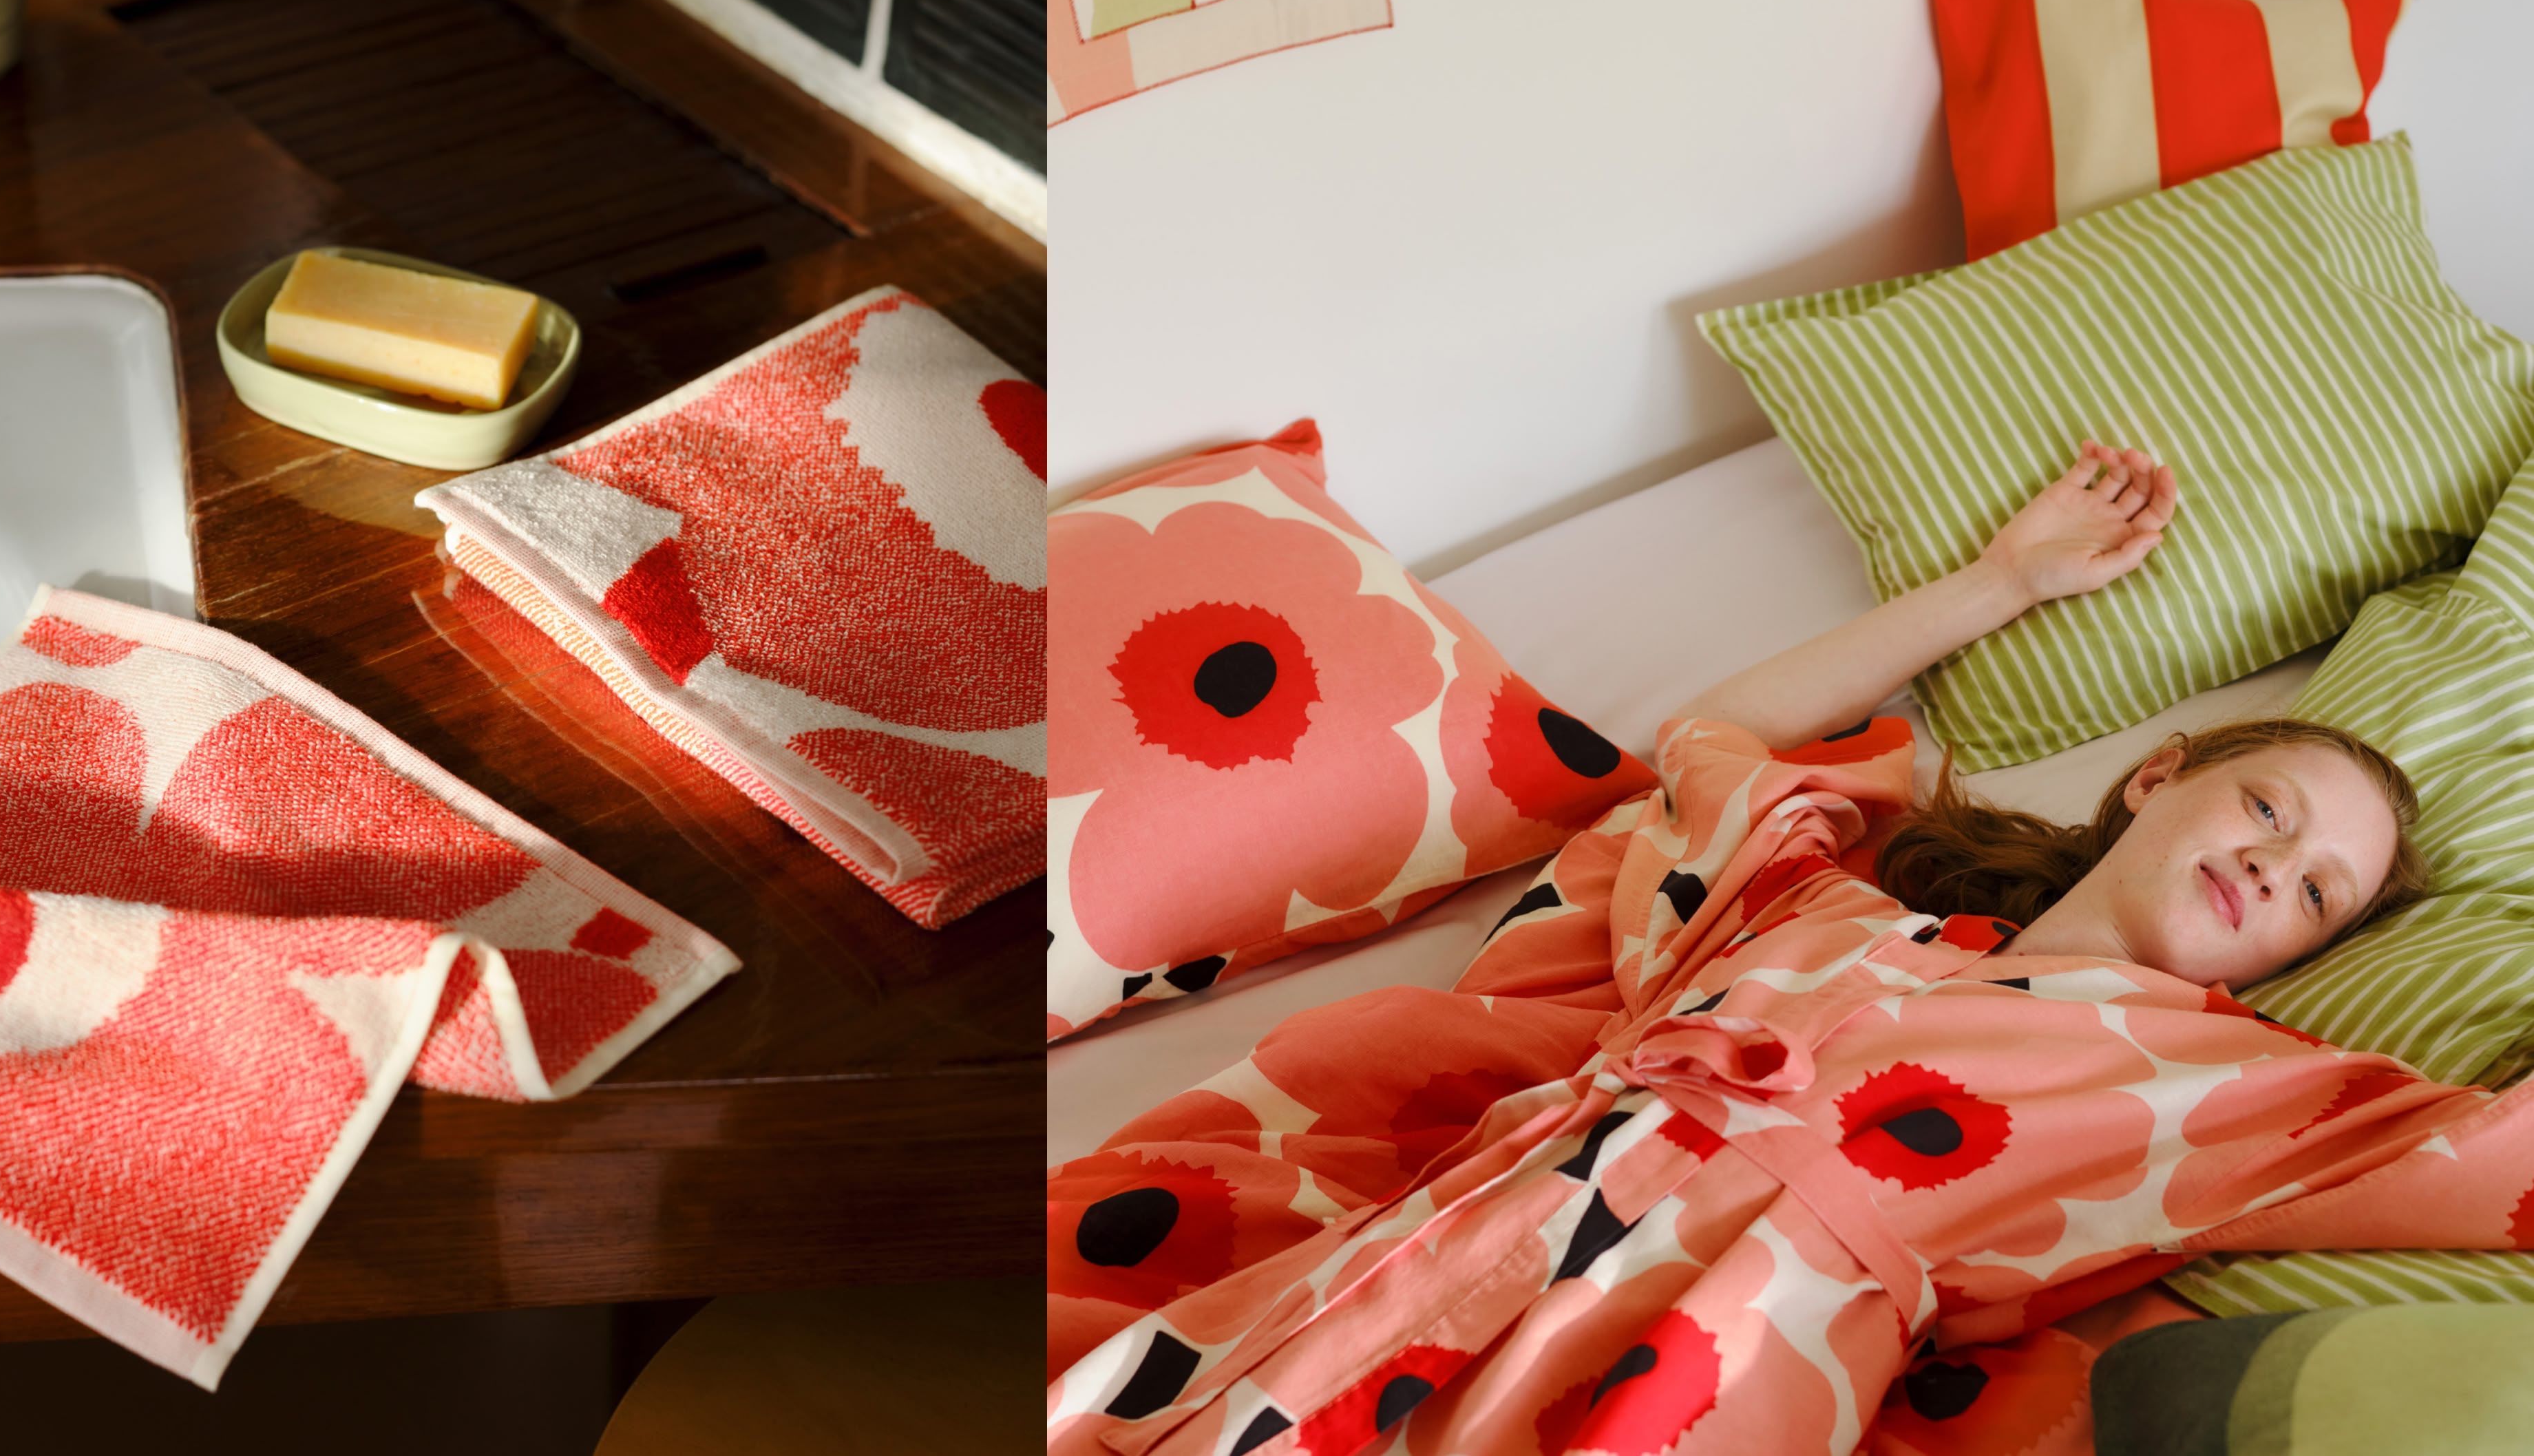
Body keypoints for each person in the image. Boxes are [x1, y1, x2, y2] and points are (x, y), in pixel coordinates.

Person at [1047, 443, 2518, 1456]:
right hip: (1459, 1237)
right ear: (2158, 774)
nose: (2276, 864)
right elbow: (1720, 744)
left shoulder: (2232, 1084)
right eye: (2269, 807)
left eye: (2321, 892)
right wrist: (2002, 586)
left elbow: (2498, 1163)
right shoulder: (1834, 914)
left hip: (1728, 1366)